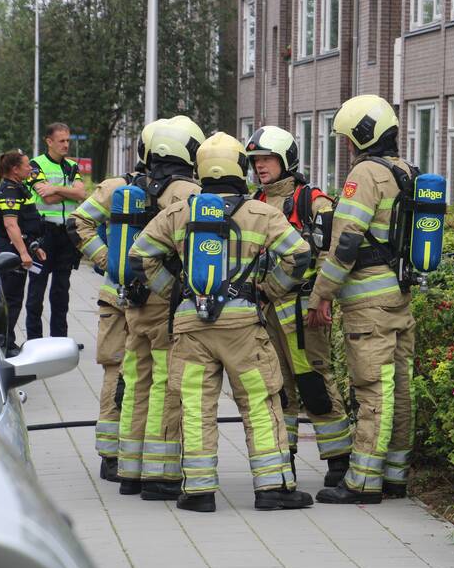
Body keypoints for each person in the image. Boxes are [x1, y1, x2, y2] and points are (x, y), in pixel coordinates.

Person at [128, 132, 314, 513]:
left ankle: (198, 491)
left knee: (195, 405)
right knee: (260, 402)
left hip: (190, 327)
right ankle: (273, 487)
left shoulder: (178, 212)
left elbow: (139, 256)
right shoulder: (260, 213)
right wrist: (267, 291)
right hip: (243, 327)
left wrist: (175, 292)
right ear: (240, 169)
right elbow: (299, 255)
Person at [307, 95, 416, 505]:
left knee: (372, 388)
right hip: (399, 296)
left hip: (368, 304)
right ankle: (394, 476)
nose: (347, 148)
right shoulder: (406, 171)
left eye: (348, 139)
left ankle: (363, 481)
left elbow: (347, 240)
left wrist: (322, 293)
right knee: (400, 387)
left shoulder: (365, 174)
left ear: (361, 134)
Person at [246, 126, 352, 487]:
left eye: (267, 159)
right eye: (256, 160)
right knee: (278, 387)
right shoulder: (254, 203)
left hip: (304, 312)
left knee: (315, 384)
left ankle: (339, 462)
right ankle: (283, 459)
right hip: (266, 312)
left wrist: (322, 298)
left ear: (286, 159)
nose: (260, 166)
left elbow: (330, 254)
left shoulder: (313, 202)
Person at [67, 121, 161, 483]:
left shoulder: (116, 187)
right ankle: (124, 450)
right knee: (141, 372)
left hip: (121, 295)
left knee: (120, 370)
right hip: (148, 297)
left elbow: (79, 224)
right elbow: (77, 224)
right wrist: (111, 262)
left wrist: (110, 262)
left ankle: (115, 453)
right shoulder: (172, 190)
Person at [116, 116, 204, 500]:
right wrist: (173, 290)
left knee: (135, 382)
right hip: (164, 302)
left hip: (134, 300)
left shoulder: (135, 186)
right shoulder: (187, 191)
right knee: (167, 386)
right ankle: (160, 475)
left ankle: (129, 471)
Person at [27, 123, 86, 340]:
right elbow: (47, 198)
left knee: (61, 292)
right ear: (49, 141)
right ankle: (34, 340)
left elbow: (82, 194)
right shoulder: (35, 165)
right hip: (43, 235)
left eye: (68, 140)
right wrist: (69, 192)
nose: (66, 145)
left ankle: (59, 339)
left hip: (65, 236)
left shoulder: (72, 165)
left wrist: (56, 188)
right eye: (61, 141)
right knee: (36, 291)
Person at [0, 151, 47, 353]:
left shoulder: (17, 188)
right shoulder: (10, 191)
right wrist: (23, 254)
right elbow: (11, 225)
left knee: (13, 299)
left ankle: (7, 340)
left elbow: (26, 224)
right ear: (15, 169)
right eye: (26, 166)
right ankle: (2, 345)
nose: (30, 168)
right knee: (10, 300)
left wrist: (35, 248)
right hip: (10, 251)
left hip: (18, 248)